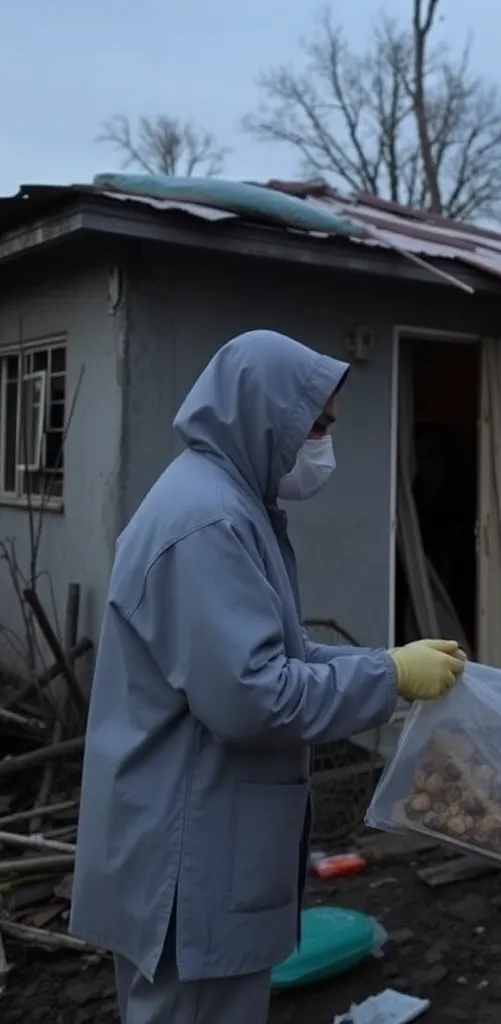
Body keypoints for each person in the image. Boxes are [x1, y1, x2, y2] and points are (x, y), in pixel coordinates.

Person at [69, 330, 467, 1024]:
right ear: (261, 414)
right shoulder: (210, 521)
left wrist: (388, 663)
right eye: (315, 428)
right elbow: (253, 699)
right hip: (189, 867)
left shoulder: (229, 506)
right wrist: (390, 678)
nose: (322, 449)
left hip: (193, 849)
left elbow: (274, 655)